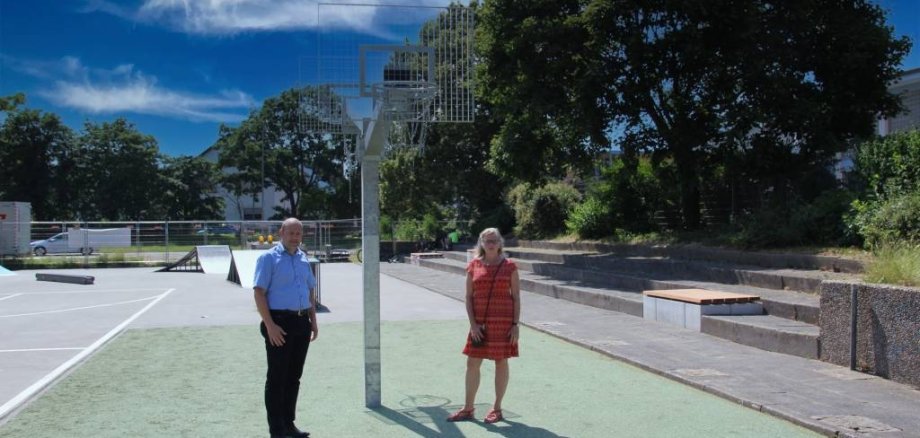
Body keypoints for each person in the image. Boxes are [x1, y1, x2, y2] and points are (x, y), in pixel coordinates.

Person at [447, 227, 521, 424]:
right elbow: (468, 297)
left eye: (494, 240)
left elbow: (516, 297)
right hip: (479, 324)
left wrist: (515, 324)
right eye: (487, 240)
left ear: (500, 243)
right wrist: (473, 325)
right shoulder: (473, 265)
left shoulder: (510, 266)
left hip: (503, 322)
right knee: (472, 363)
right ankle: (468, 408)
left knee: (501, 362)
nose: (491, 244)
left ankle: (497, 408)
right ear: (481, 243)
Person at [253, 218, 318, 438]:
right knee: (277, 378)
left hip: (301, 323)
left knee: (293, 377)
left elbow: (310, 290)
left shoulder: (303, 258)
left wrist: (313, 321)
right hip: (279, 323)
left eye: (298, 233)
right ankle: (277, 429)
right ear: (281, 232)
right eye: (291, 233)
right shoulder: (268, 258)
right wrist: (270, 325)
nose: (295, 237)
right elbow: (259, 293)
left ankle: (289, 424)